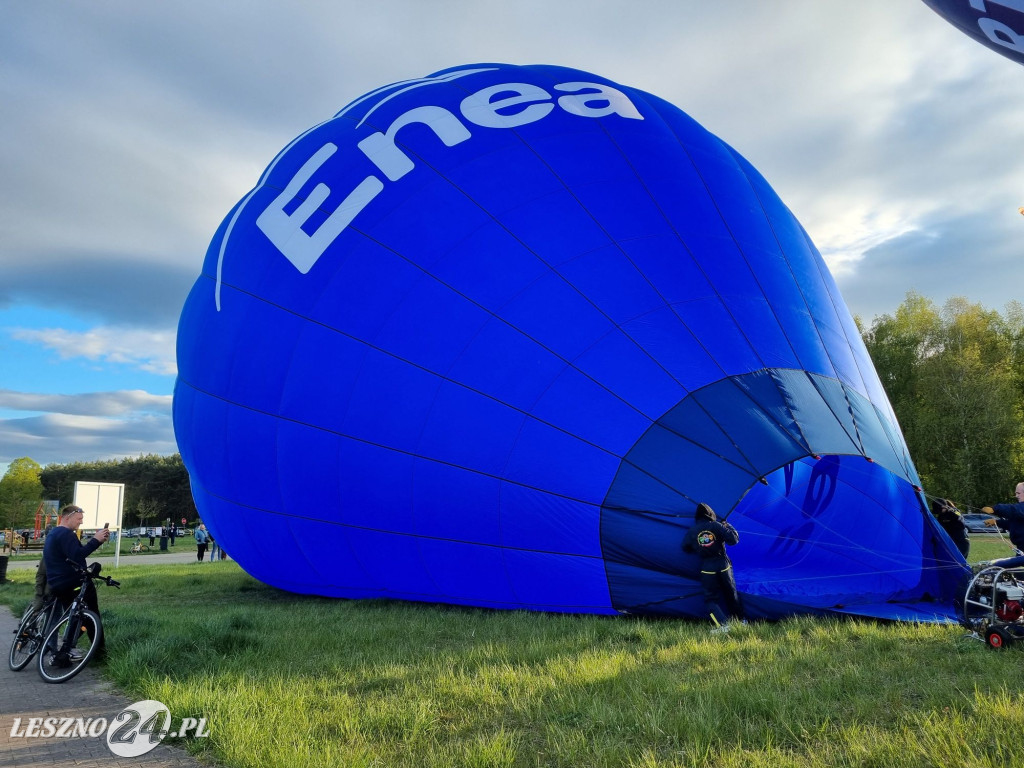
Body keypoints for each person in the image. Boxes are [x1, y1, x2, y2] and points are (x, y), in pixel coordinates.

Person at [43, 505, 111, 654]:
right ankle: (99, 653)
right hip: (72, 581)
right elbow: (77, 555)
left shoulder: (54, 533)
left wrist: (97, 540)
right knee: (93, 615)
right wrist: (95, 540)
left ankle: (66, 649)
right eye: (79, 519)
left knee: (76, 616)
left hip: (57, 583)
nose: (81, 522)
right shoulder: (66, 534)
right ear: (68, 517)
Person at [682, 502, 744, 632]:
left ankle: (723, 625)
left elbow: (685, 548)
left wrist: (699, 547)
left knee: (710, 599)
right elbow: (733, 540)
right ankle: (740, 622)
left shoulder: (693, 531)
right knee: (731, 595)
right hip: (723, 566)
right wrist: (728, 526)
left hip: (707, 568)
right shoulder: (716, 525)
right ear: (711, 513)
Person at [979, 482, 1024, 568]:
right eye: (1015, 493)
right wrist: (997, 522)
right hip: (1021, 549)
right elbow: (1014, 524)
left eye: (1018, 493)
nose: (1016, 496)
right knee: (1015, 573)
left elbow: (1013, 510)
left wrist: (995, 509)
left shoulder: (1020, 508)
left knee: (997, 566)